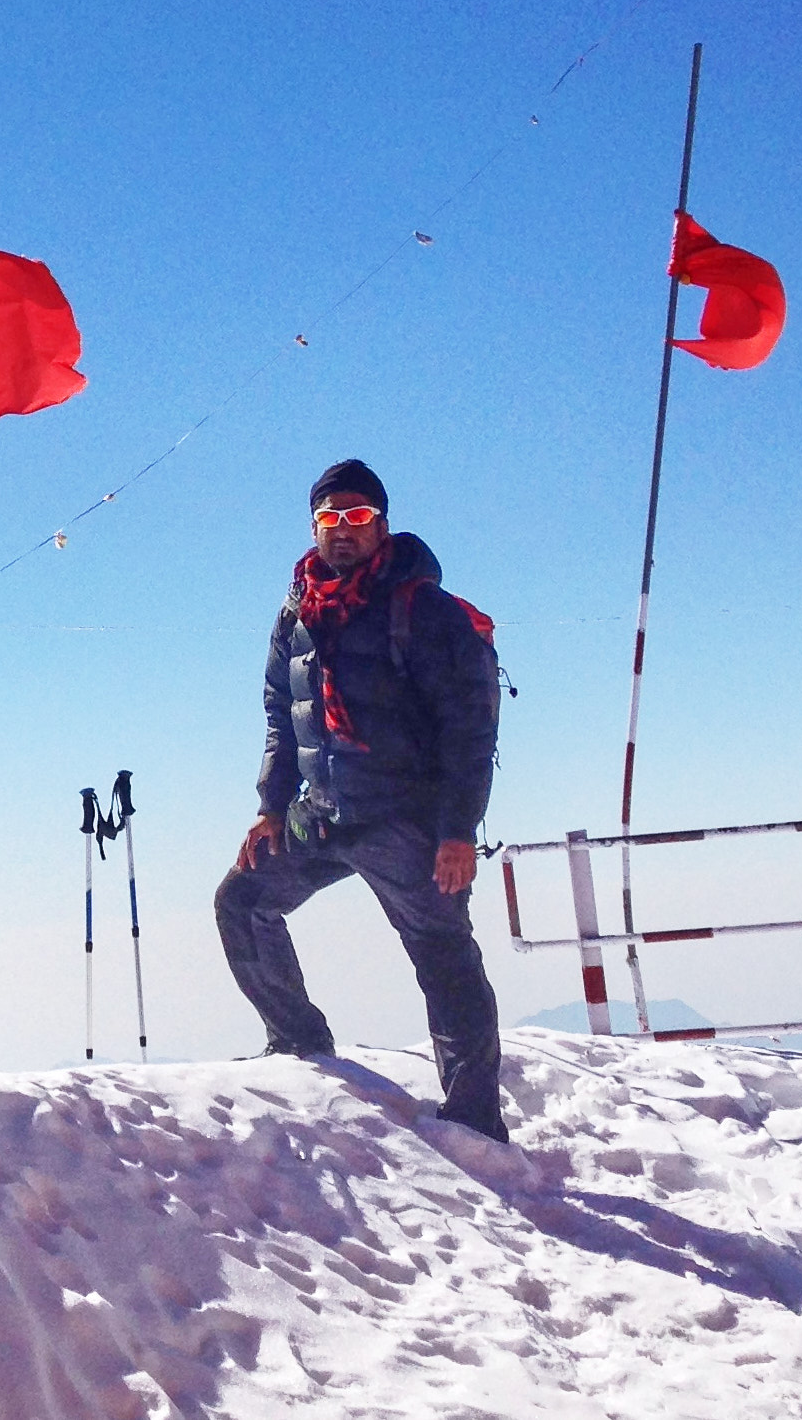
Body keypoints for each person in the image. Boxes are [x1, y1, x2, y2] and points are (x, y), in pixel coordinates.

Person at [214, 459, 508, 1142]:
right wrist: (269, 807)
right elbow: (280, 714)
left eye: (356, 517)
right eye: (329, 519)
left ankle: (474, 1118)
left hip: (405, 818)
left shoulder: (423, 611)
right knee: (243, 902)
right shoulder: (297, 613)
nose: (342, 530)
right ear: (314, 526)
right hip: (319, 811)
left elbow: (469, 729)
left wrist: (456, 831)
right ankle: (299, 1044)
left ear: (381, 523)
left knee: (442, 953)